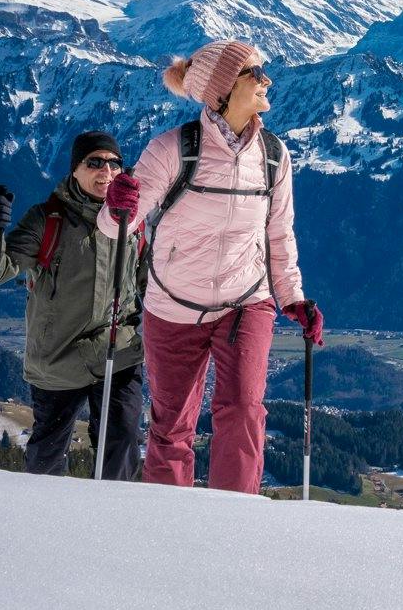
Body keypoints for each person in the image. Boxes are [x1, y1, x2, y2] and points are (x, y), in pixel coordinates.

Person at [99, 39, 322, 495]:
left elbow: (279, 235)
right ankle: (170, 529)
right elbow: (116, 226)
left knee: (242, 412)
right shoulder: (172, 151)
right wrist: (116, 207)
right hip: (173, 305)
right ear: (222, 90)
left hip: (246, 300)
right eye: (256, 73)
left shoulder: (275, 157)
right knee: (171, 428)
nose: (267, 80)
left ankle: (234, 530)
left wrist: (293, 298)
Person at [0, 131, 145, 479]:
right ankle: (45, 523)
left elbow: (150, 282)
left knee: (122, 444)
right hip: (58, 358)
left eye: (114, 164)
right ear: (75, 171)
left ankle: (116, 519)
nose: (106, 171)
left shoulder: (134, 220)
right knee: (45, 460)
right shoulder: (48, 219)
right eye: (94, 162)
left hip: (118, 352)